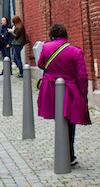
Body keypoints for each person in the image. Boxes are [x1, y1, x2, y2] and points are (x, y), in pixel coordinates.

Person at [37, 23, 91, 166]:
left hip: (51, 90)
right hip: (70, 91)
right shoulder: (75, 51)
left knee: (59, 120)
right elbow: (82, 76)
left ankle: (63, 152)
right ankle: (69, 153)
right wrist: (83, 93)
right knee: (70, 122)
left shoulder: (46, 47)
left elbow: (41, 64)